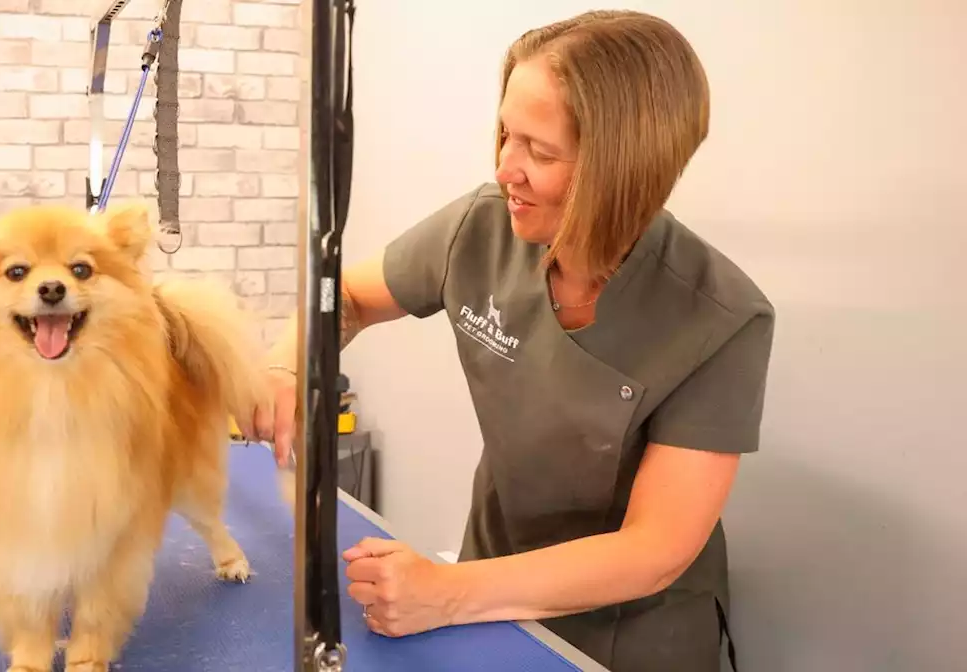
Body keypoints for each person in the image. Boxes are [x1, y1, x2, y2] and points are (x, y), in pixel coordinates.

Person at [243, 9, 774, 672]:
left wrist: (448, 594)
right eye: (504, 135)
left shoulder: (721, 319)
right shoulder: (482, 226)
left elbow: (655, 549)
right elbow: (344, 298)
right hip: (483, 580)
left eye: (540, 152)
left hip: (627, 632)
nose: (505, 168)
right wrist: (288, 369)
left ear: (625, 170)